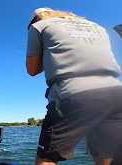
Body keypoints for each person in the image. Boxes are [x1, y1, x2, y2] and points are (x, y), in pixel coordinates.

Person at [26, 8, 122, 165]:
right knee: (106, 157)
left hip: (72, 95)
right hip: (116, 94)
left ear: (36, 18)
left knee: (47, 159)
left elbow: (32, 70)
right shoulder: (98, 27)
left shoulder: (40, 26)